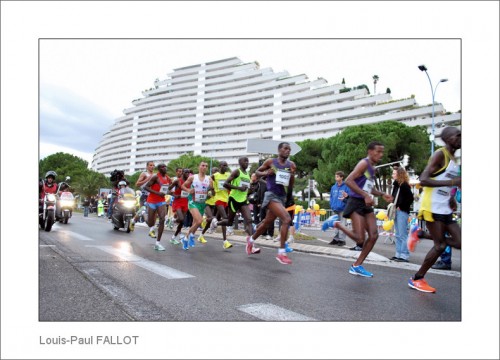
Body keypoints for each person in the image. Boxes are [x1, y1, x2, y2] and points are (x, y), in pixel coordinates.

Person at [407, 127, 461, 293]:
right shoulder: (440, 154)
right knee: (440, 246)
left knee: (460, 242)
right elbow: (423, 179)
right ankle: (417, 279)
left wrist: (451, 197)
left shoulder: (454, 159)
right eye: (457, 135)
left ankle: (420, 234)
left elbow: (445, 180)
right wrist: (452, 184)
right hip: (431, 206)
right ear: (447, 139)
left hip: (445, 207)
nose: (461, 137)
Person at [332, 141, 394, 277]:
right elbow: (349, 180)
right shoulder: (364, 163)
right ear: (370, 152)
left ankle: (356, 265)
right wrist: (365, 195)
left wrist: (382, 194)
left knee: (374, 235)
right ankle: (336, 224)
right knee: (360, 239)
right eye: (378, 151)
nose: (381, 154)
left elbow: (368, 186)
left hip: (366, 203)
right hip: (356, 202)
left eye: (382, 152)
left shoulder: (371, 167)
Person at [247, 143, 297, 265]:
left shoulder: (291, 165)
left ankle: (251, 240)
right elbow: (257, 173)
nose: (288, 151)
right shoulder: (271, 161)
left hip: (281, 197)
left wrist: (290, 197)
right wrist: (266, 173)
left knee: (266, 223)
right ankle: (281, 253)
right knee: (286, 219)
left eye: (289, 149)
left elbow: (291, 182)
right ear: (279, 150)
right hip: (270, 195)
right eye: (285, 148)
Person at [212, 157, 254, 244]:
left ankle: (251, 244)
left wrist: (251, 190)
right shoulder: (236, 172)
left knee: (249, 220)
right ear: (240, 162)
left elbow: (246, 188)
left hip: (243, 200)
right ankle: (216, 224)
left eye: (247, 161)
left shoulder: (248, 174)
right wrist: (239, 188)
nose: (246, 162)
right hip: (233, 199)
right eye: (245, 161)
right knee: (229, 222)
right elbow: (225, 184)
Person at [181, 161, 213, 250]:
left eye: (206, 166)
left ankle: (191, 235)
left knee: (195, 222)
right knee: (199, 221)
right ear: (199, 167)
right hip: (193, 202)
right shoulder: (193, 177)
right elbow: (183, 186)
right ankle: (186, 237)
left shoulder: (209, 179)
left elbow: (212, 190)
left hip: (202, 203)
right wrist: (188, 190)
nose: (204, 167)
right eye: (203, 165)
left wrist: (210, 193)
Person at [143, 163, 172, 251]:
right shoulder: (155, 177)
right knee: (150, 224)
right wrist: (157, 193)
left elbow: (169, 188)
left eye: (165, 166)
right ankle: (143, 213)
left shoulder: (167, 177)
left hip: (161, 201)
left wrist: (169, 191)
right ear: (159, 169)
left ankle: (158, 243)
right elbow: (146, 187)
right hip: (152, 201)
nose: (165, 168)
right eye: (162, 167)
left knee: (162, 219)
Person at [389, 167, 414, 262]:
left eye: (394, 173)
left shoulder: (404, 185)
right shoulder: (396, 185)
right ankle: (398, 253)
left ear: (399, 174)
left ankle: (404, 255)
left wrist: (401, 206)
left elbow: (410, 199)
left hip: (402, 211)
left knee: (402, 234)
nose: (392, 175)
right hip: (397, 210)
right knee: (398, 234)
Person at [206, 163, 233, 249]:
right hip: (217, 199)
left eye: (226, 165)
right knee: (225, 218)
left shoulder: (228, 174)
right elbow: (208, 183)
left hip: (226, 199)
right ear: (220, 166)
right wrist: (211, 189)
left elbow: (231, 184)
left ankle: (213, 224)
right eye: (223, 165)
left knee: (220, 219)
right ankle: (225, 241)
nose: (225, 167)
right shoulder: (215, 175)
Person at [168, 168, 192, 244]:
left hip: (185, 201)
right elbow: (168, 190)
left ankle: (173, 237)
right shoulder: (177, 181)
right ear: (183, 173)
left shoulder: (190, 181)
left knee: (182, 222)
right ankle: (172, 220)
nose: (187, 173)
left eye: (188, 172)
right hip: (177, 201)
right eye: (186, 172)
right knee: (181, 219)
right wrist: (174, 195)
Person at [131, 161, 155, 227]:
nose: (152, 166)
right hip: (144, 195)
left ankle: (134, 220)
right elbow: (137, 184)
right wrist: (147, 179)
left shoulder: (155, 175)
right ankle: (134, 220)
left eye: (153, 165)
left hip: (152, 195)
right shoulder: (144, 174)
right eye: (150, 165)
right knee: (142, 210)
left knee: (150, 211)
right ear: (147, 166)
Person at [328, 171, 350, 246]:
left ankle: (342, 240)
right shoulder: (333, 187)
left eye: (337, 176)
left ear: (342, 177)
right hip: (335, 208)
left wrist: (345, 199)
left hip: (343, 209)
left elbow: (349, 197)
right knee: (335, 224)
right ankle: (335, 239)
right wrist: (331, 204)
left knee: (343, 225)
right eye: (335, 176)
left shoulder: (346, 187)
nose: (336, 178)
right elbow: (331, 197)